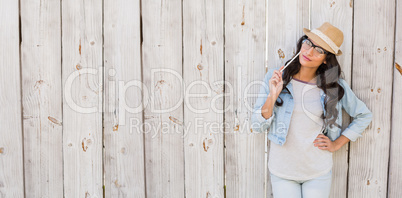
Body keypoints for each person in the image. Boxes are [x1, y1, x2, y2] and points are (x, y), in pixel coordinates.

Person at [251, 22, 373, 198]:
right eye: (308, 43)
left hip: (317, 171)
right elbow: (257, 126)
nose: (309, 51)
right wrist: (273, 95)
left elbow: (364, 115)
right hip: (282, 170)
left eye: (320, 50)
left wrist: (336, 143)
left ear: (326, 59)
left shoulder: (334, 87)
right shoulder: (275, 78)